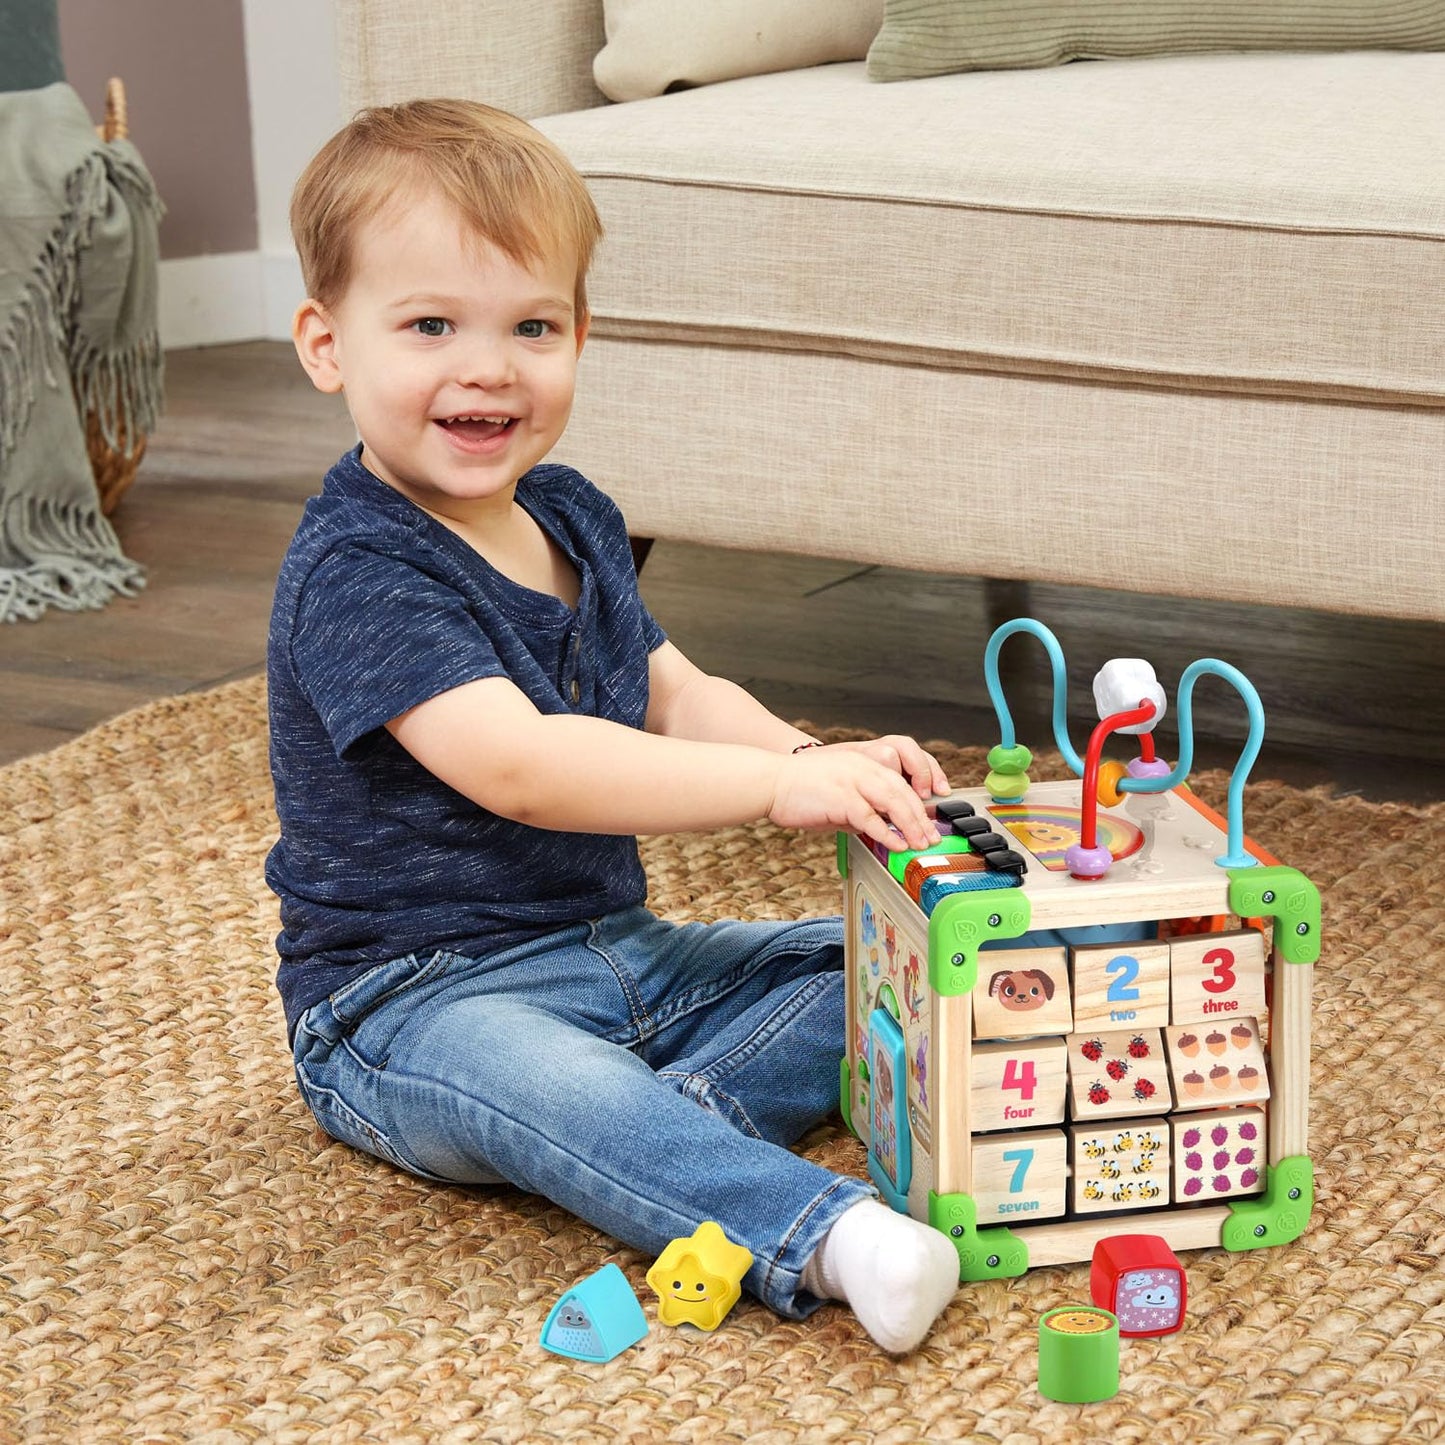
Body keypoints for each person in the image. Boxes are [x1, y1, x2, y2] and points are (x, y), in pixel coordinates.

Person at [266, 98, 961, 1353]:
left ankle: (647, 1138)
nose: (488, 366)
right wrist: (762, 797)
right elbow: (522, 768)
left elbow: (672, 689)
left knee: (884, 955)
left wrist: (810, 758)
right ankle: (821, 1232)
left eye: (531, 326)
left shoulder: (573, 512)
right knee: (548, 1083)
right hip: (409, 1005)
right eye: (429, 326)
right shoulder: (359, 568)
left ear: (580, 334)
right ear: (326, 344)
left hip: (617, 951)